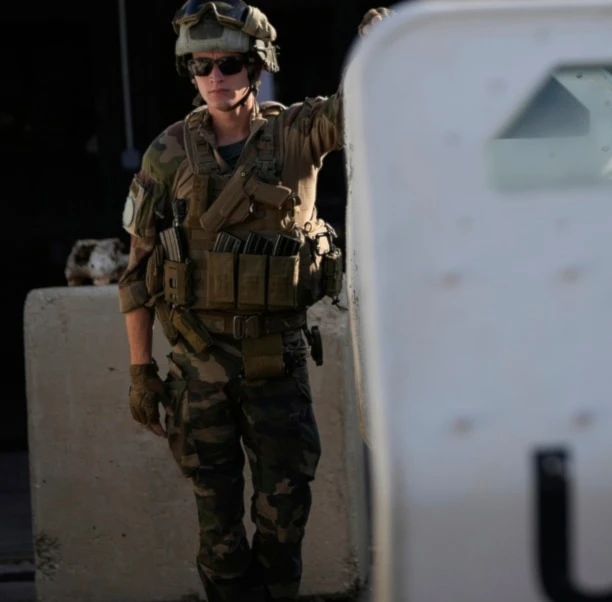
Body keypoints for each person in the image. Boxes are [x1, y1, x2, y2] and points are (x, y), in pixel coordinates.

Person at [116, 2, 390, 600]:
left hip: (275, 364)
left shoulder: (297, 132)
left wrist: (380, 47)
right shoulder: (167, 153)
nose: (215, 77)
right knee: (218, 530)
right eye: (202, 66)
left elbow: (358, 111)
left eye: (231, 63)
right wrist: (141, 372)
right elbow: (136, 274)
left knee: (284, 522)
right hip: (199, 362)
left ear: (257, 67)